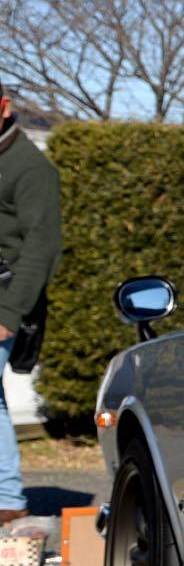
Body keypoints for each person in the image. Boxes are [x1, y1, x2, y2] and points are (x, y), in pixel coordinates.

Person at [0, 86, 60, 527]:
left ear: (4, 109)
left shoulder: (31, 167)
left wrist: (10, 313)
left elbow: (42, 246)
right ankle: (8, 500)